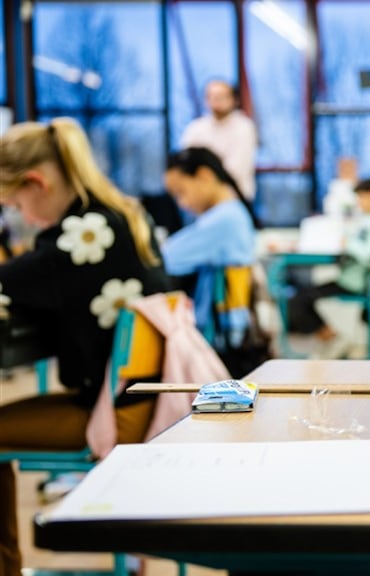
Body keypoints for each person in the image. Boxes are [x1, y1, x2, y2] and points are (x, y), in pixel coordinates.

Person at [0, 118, 171, 575]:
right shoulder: (121, 214)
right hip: (141, 398)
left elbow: (11, 279)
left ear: (36, 182)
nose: (21, 217)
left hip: (114, 412)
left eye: (15, 203)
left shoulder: (82, 236)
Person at [162, 146, 267, 377]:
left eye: (181, 192)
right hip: (231, 332)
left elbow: (163, 258)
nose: (181, 203)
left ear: (204, 176)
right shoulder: (232, 213)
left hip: (220, 338)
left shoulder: (224, 219)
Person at [287, 177, 370, 359]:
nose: (359, 202)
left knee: (300, 300)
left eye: (362, 197)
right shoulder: (366, 220)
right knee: (300, 298)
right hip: (349, 277)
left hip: (361, 282)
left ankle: (332, 338)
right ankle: (331, 338)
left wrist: (349, 244)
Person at [180, 79, 258, 201]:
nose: (216, 101)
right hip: (201, 201)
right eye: (212, 96)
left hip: (235, 198)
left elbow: (236, 169)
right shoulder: (196, 128)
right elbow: (186, 164)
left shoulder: (244, 127)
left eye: (221, 96)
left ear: (234, 99)